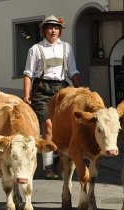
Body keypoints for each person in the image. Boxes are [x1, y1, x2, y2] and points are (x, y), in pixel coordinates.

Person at [23, 15, 81, 179]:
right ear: (44, 31)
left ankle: (61, 158)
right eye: (49, 27)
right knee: (47, 126)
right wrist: (26, 96)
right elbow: (28, 74)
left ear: (60, 31)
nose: (53, 30)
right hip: (41, 89)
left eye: (56, 28)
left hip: (62, 89)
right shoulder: (35, 49)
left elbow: (73, 71)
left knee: (62, 126)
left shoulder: (67, 48)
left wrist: (81, 90)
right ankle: (48, 167)